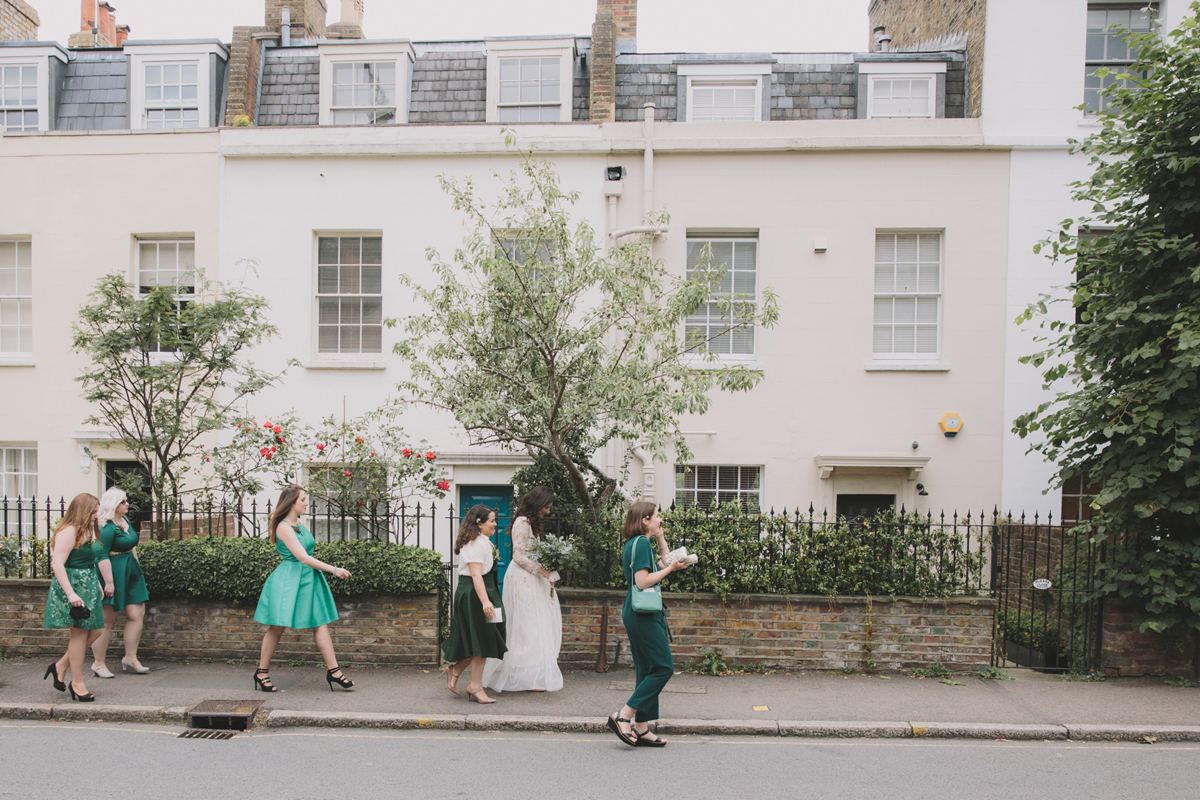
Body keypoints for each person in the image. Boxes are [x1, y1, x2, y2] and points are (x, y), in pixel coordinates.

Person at [252, 484, 355, 693]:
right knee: (277, 626)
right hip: (288, 580)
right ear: (291, 502)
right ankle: (261, 672)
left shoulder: (299, 523)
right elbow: (302, 557)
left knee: (320, 623)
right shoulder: (283, 526)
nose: (307, 503)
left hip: (308, 579)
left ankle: (334, 671)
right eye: (303, 500)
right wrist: (333, 569)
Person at [606, 501, 690, 747]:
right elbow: (642, 581)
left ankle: (642, 727)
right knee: (663, 667)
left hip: (638, 611)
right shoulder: (641, 543)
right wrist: (671, 569)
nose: (660, 520)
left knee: (646, 669)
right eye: (657, 517)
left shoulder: (638, 543)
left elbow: (664, 564)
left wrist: (663, 541)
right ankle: (624, 715)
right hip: (643, 614)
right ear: (644, 519)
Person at [482, 487, 562, 693]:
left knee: (533, 625)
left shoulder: (530, 524)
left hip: (532, 578)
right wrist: (544, 572)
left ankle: (527, 674)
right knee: (526, 626)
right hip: (522, 579)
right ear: (537, 504)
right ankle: (522, 677)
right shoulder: (522, 523)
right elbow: (518, 556)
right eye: (546, 507)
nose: (548, 511)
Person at [440, 505, 507, 704]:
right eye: (492, 521)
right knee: (482, 639)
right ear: (479, 523)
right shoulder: (475, 544)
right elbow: (476, 574)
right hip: (475, 594)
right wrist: (485, 601)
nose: (495, 524)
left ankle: (455, 669)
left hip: (485, 591)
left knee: (484, 637)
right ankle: (475, 687)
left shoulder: (484, 542)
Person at [43, 493, 106, 702]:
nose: (97, 515)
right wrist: (71, 593)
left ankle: (60, 666)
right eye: (94, 511)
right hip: (73, 586)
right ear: (84, 511)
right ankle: (77, 683)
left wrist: (96, 583)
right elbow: (57, 563)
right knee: (79, 635)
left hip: (88, 584)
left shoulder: (87, 529)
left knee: (96, 630)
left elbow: (89, 560)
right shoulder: (69, 531)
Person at [89, 487, 151, 678]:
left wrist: (136, 568)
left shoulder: (124, 520)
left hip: (130, 572)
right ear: (113, 505)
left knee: (136, 613)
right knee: (106, 620)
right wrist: (108, 583)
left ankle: (130, 658)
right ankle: (98, 663)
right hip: (111, 573)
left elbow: (132, 545)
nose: (127, 504)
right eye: (123, 502)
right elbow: (101, 555)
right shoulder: (106, 526)